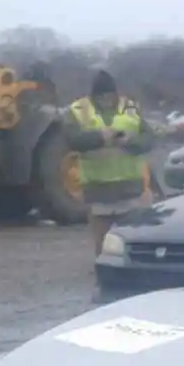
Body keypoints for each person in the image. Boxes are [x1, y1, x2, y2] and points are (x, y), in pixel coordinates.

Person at [63, 70, 156, 251]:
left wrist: (130, 141)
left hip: (130, 190)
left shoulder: (131, 107)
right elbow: (71, 139)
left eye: (109, 94)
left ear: (115, 93)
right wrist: (100, 137)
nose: (106, 99)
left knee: (131, 244)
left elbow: (148, 139)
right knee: (104, 245)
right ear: (94, 95)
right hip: (98, 191)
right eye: (101, 95)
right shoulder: (78, 110)